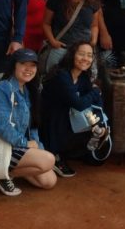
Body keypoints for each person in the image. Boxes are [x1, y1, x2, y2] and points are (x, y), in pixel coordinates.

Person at [0, 49, 57, 196]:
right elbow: (2, 125)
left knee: (49, 181)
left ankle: (7, 173)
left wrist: (37, 146)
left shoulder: (29, 89)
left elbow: (32, 126)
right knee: (48, 160)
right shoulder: (4, 88)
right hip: (5, 146)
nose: (28, 69)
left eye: (33, 65)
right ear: (14, 66)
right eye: (23, 64)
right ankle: (0, 172)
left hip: (20, 146)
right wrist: (25, 143)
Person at [41, 42, 109, 177]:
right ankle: (55, 154)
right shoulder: (62, 75)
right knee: (64, 112)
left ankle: (71, 151)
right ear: (72, 55)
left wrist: (99, 122)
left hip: (67, 117)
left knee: (97, 159)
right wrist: (96, 91)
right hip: (49, 120)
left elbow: (95, 101)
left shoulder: (82, 76)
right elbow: (78, 103)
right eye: (81, 54)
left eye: (89, 55)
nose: (86, 58)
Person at [43, 0, 101, 73]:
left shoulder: (92, 0)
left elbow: (94, 25)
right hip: (61, 50)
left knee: (85, 84)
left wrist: (93, 40)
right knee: (56, 83)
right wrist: (53, 41)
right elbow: (46, 23)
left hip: (84, 52)